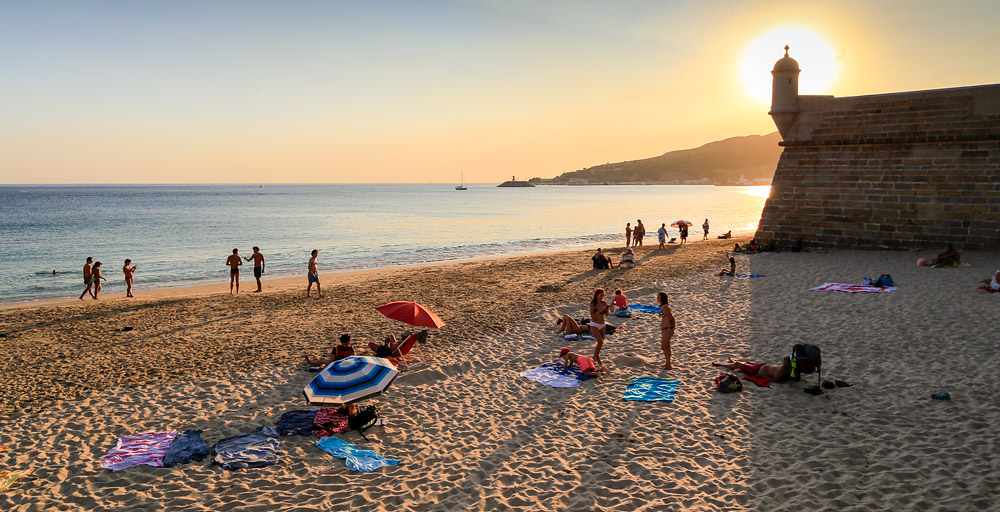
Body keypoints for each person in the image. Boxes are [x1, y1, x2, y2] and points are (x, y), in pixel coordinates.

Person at [711, 358, 792, 382]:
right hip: (763, 365)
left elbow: (772, 379)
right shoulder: (791, 370)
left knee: (738, 364)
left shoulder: (779, 373)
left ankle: (721, 364)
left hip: (758, 370)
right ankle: (731, 363)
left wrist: (762, 376)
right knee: (747, 363)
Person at [589, 288, 610, 368]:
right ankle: (597, 357)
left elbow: (607, 315)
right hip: (594, 324)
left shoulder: (603, 302)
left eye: (603, 295)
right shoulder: (593, 304)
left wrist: (607, 309)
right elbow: (592, 315)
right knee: (600, 342)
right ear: (596, 295)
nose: (602, 297)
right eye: (600, 295)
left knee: (601, 343)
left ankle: (595, 356)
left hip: (603, 325)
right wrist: (600, 310)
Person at [658, 291, 675, 369]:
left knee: (664, 347)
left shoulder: (665, 307)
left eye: (658, 297)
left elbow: (671, 317)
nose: (657, 298)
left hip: (668, 328)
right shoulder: (662, 306)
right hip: (665, 329)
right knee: (666, 347)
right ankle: (667, 363)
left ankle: (669, 365)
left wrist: (673, 326)